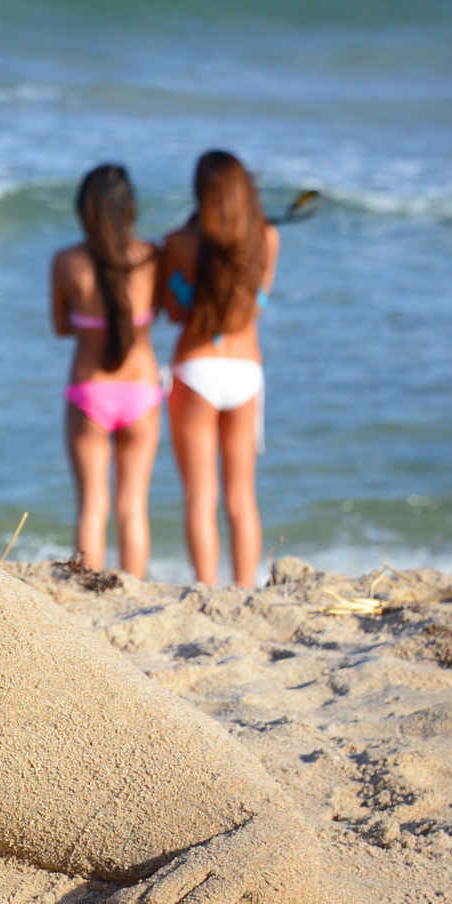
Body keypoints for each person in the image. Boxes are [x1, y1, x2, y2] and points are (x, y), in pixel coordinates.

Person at [159, 149, 280, 587]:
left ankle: (207, 587)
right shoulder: (266, 239)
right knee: (242, 497)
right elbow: (257, 306)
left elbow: (173, 311)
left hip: (196, 368)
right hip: (246, 370)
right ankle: (246, 586)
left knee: (199, 496)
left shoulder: (178, 243)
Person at [50, 163, 163, 577]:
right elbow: (164, 309)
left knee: (92, 507)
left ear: (84, 209)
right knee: (133, 508)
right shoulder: (152, 256)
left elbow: (61, 326)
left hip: (89, 390)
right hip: (142, 389)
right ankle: (132, 588)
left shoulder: (67, 262)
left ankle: (90, 590)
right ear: (130, 208)